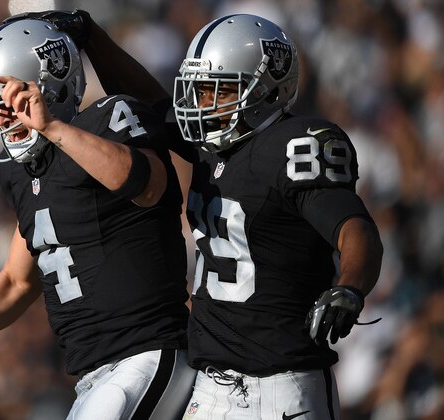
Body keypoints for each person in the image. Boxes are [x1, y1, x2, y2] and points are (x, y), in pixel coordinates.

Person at [31, 10, 384, 420]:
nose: (202, 104)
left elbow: (355, 229)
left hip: (281, 385)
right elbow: (152, 100)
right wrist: (92, 37)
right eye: (199, 91)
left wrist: (350, 288)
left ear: (269, 89)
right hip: (210, 386)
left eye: (219, 91)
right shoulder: (213, 144)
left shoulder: (294, 146)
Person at [0, 16, 196, 419]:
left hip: (147, 353)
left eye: (7, 102)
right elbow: (15, 283)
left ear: (48, 88)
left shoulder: (109, 118)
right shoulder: (23, 172)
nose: (1, 118)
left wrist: (53, 127)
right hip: (94, 377)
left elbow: (146, 184)